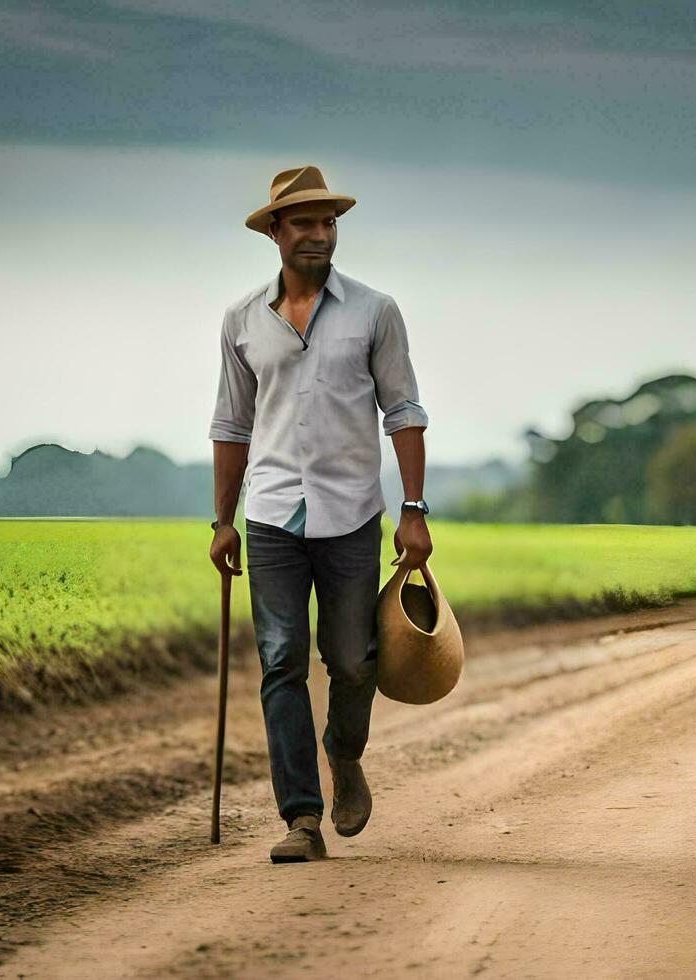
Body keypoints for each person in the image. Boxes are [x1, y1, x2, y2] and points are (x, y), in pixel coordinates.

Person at [207, 165, 433, 863]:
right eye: (303, 222)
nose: (318, 234)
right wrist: (222, 521)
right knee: (280, 661)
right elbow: (231, 426)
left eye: (327, 222)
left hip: (351, 514)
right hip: (272, 514)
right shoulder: (243, 321)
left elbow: (403, 412)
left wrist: (415, 509)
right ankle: (300, 818)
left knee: (353, 657)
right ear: (275, 232)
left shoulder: (375, 311)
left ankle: (347, 755)